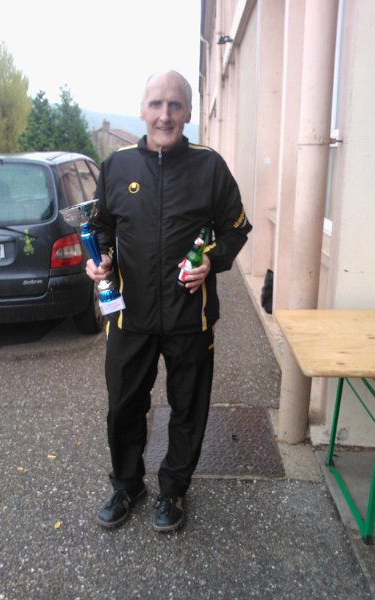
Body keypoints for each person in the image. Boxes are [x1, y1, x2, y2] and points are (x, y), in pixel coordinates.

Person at [86, 70, 252, 532]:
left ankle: (174, 490)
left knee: (188, 410)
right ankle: (127, 485)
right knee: (124, 407)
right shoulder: (116, 167)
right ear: (142, 110)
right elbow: (100, 227)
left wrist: (213, 259)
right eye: (157, 104)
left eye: (175, 105)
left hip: (189, 318)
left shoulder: (210, 166)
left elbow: (236, 228)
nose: (165, 115)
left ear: (189, 112)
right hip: (129, 318)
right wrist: (99, 259)